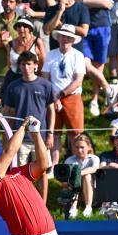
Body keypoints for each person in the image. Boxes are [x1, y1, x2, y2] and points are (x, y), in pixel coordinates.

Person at [3, 51, 54, 202]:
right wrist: (8, 136)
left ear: (36, 66)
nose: (26, 67)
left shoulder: (45, 85)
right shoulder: (13, 86)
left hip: (41, 138)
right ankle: (24, 203)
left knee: (42, 171)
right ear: (19, 66)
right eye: (23, 64)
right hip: (21, 140)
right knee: (21, 173)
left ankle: (43, 204)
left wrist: (50, 134)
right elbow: (8, 113)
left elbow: (51, 110)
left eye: (29, 64)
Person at [41, 24, 85, 166]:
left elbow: (78, 80)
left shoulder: (78, 55)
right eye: (63, 36)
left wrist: (59, 95)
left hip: (72, 97)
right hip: (53, 97)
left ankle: (76, 163)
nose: (65, 39)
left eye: (68, 37)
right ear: (58, 37)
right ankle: (54, 165)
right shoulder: (51, 54)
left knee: (75, 133)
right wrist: (53, 97)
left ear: (72, 40)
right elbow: (45, 78)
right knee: (55, 133)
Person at [76, 0, 115, 112]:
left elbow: (106, 2)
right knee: (86, 65)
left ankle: (94, 100)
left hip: (102, 26)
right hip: (84, 25)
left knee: (99, 65)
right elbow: (78, 0)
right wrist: (98, 2)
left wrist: (84, 1)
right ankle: (108, 88)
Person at [0, 16, 45, 98]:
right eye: (19, 26)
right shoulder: (11, 43)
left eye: (25, 26)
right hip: (13, 78)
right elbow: (9, 64)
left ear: (30, 28)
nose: (21, 28)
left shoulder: (37, 42)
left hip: (33, 79)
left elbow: (43, 62)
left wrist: (39, 77)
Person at [63, 134, 100, 218]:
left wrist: (78, 173)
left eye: (82, 147)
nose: (79, 150)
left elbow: (94, 169)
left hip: (92, 191)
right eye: (77, 147)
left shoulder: (94, 158)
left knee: (87, 176)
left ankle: (88, 207)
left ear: (89, 147)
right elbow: (64, 181)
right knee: (73, 178)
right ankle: (73, 208)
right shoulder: (69, 160)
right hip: (74, 191)